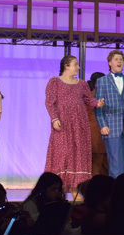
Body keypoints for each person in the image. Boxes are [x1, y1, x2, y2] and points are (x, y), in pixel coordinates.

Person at [44, 55, 104, 190]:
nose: (78, 67)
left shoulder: (82, 84)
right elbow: (50, 103)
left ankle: (77, 186)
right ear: (66, 66)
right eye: (75, 64)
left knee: (78, 152)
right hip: (63, 123)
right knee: (63, 152)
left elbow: (89, 100)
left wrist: (97, 103)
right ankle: (58, 185)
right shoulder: (55, 82)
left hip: (79, 124)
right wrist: (54, 118)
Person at [94, 51, 124, 177]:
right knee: (115, 163)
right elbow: (98, 106)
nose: (119, 61)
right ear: (110, 63)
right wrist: (102, 125)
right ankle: (116, 192)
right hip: (111, 126)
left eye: (121, 59)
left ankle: (117, 184)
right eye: (116, 59)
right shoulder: (102, 81)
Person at [87, 72, 110, 176]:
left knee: (99, 161)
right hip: (97, 130)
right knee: (99, 162)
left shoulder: (90, 94)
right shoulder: (96, 95)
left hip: (96, 130)